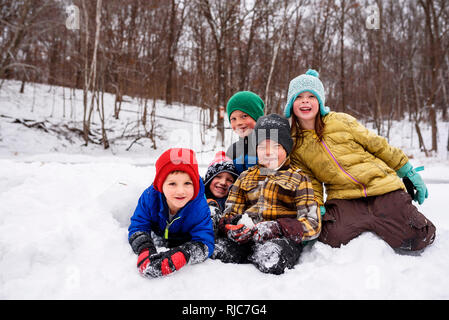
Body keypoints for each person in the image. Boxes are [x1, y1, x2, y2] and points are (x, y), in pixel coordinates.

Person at [284, 69, 436, 252]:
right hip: (344, 197)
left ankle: (392, 213)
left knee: (418, 237)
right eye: (299, 97)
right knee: (330, 237)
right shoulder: (296, 143)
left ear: (320, 101)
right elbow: (310, 180)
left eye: (311, 96)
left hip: (381, 187)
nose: (305, 101)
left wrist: (406, 170)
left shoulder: (341, 121)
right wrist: (316, 205)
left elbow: (377, 145)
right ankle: (371, 221)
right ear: (291, 104)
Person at [213, 114, 321, 275]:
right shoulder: (245, 177)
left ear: (286, 148)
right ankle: (245, 252)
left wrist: (278, 227)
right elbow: (230, 212)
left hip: (282, 239)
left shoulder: (299, 179)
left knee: (272, 257)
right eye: (262, 147)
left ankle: (261, 255)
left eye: (276, 146)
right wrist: (232, 225)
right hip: (247, 237)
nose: (268, 152)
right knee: (218, 252)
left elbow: (313, 223)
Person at [128, 148, 214, 278]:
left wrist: (183, 255)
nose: (180, 191)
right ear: (161, 185)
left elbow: (206, 241)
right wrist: (144, 248)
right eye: (172, 184)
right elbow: (138, 225)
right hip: (160, 231)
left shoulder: (199, 207)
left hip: (184, 238)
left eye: (187, 183)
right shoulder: (150, 197)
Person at [225, 91, 265, 174]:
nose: (238, 122)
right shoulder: (232, 150)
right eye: (233, 119)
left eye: (244, 116)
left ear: (257, 117)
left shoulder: (271, 145)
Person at [203, 151, 239, 233]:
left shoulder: (234, 203)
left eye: (229, 180)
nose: (223, 182)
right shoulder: (199, 198)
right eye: (218, 177)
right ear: (209, 179)